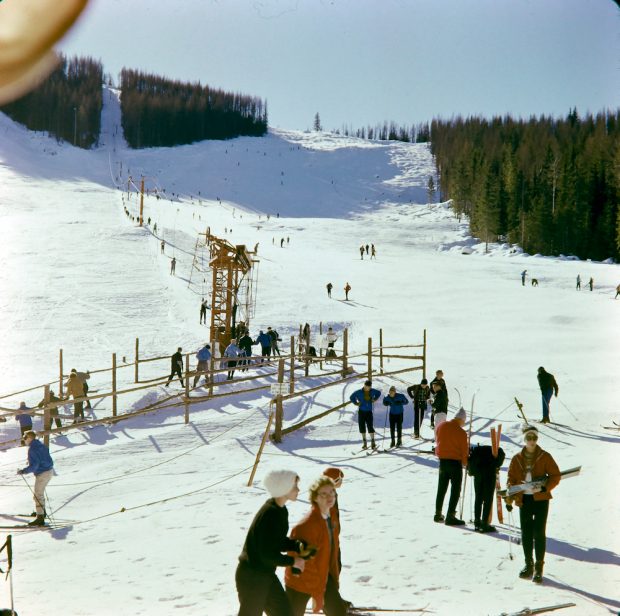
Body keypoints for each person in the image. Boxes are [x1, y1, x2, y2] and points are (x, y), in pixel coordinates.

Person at [236, 470, 307, 616]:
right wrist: (293, 561)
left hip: (265, 574)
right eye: (295, 486)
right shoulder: (270, 513)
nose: (298, 490)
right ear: (284, 489)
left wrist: (296, 545)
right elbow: (267, 555)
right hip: (252, 577)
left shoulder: (280, 510)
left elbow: (276, 542)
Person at [285, 476, 347, 616]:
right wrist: (318, 594)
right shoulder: (307, 526)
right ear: (315, 498)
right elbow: (304, 566)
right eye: (323, 494)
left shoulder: (329, 516)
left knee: (338, 612)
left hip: (322, 576)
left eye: (332, 492)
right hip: (300, 582)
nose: (329, 497)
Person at [506, 425, 561, 584]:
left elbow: (555, 475)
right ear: (524, 439)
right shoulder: (517, 459)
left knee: (539, 532)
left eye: (534, 438)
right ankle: (528, 564)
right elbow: (511, 479)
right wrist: (512, 492)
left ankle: (539, 567)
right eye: (529, 438)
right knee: (526, 532)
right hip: (524, 500)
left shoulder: (545, 456)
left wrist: (545, 487)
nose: (531, 441)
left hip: (541, 499)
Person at [434, 407, 468, 525]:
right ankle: (450, 515)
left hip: (442, 462)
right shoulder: (461, 433)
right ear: (462, 419)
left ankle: (438, 513)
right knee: (455, 489)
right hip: (455, 463)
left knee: (441, 488)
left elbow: (437, 440)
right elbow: (464, 451)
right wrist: (465, 463)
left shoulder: (441, 426)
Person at [17, 430, 54, 526]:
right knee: (39, 493)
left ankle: (40, 517)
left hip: (42, 473)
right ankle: (41, 512)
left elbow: (35, 465)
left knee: (38, 495)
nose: (24, 440)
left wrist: (23, 471)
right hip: (49, 471)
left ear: (30, 438)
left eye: (25, 438)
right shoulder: (40, 445)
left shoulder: (32, 449)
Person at [468, 442, 505, 533]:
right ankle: (484, 523)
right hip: (489, 474)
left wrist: (472, 472)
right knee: (488, 499)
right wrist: (496, 466)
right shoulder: (497, 450)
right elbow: (499, 460)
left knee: (478, 497)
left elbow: (470, 462)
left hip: (478, 474)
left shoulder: (476, 450)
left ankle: (477, 521)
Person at [349, 380, 381, 450]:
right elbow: (351, 397)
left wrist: (375, 399)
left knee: (370, 426)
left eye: (369, 387)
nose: (368, 388)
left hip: (369, 412)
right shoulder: (359, 392)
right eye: (366, 386)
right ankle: (364, 442)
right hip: (361, 412)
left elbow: (379, 393)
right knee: (362, 426)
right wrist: (356, 403)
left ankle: (373, 442)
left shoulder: (373, 391)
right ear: (364, 385)